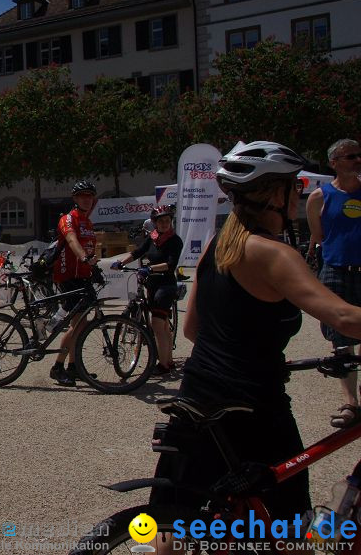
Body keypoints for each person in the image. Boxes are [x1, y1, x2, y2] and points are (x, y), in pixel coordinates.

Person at [150, 140, 361, 524]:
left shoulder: (218, 244)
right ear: (273, 194)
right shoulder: (274, 254)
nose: (299, 195)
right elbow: (343, 317)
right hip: (254, 408)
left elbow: (194, 330)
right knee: (290, 527)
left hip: (197, 396)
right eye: (294, 186)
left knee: (177, 518)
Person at [306, 138, 361, 428]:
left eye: (358, 155)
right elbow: (319, 234)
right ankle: (350, 402)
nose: (357, 160)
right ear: (334, 163)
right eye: (350, 157)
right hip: (336, 269)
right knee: (341, 340)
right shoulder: (320, 197)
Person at [112, 204, 182, 374]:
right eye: (161, 221)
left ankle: (163, 365)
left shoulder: (175, 240)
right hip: (151, 284)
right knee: (163, 325)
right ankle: (169, 361)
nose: (164, 224)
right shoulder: (152, 238)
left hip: (165, 285)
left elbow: (171, 265)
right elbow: (137, 252)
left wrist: (150, 269)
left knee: (157, 324)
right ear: (155, 223)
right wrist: (121, 263)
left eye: (167, 221)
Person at [49, 180, 100, 387]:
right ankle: (57, 367)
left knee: (81, 324)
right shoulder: (68, 219)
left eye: (90, 196)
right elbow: (71, 240)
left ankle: (74, 366)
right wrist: (83, 257)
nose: (87, 199)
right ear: (75, 199)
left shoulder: (88, 223)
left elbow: (88, 247)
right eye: (83, 196)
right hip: (68, 276)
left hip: (82, 276)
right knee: (77, 324)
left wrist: (93, 265)